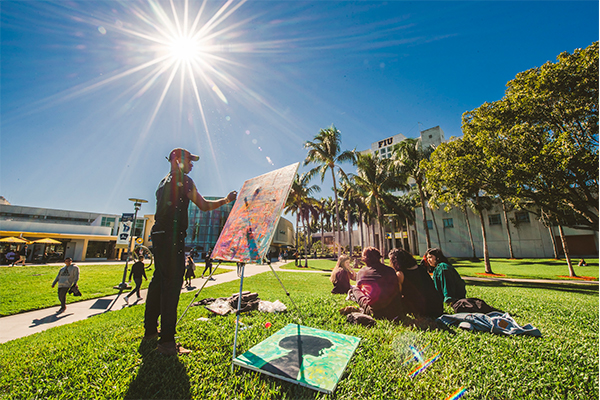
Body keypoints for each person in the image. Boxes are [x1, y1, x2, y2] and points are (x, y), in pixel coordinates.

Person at [144, 148, 237, 356]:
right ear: (177, 160)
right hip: (171, 237)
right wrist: (225, 200)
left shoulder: (162, 182)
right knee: (172, 285)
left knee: (158, 281)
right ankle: (167, 342)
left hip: (158, 234)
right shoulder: (184, 181)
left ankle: (150, 330)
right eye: (189, 161)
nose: (192, 165)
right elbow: (203, 206)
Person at [350, 247, 403, 320]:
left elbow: (358, 286)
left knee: (355, 289)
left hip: (376, 311)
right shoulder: (390, 270)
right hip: (395, 310)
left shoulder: (362, 272)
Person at [388, 248, 443, 319]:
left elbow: (398, 295)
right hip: (435, 306)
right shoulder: (421, 269)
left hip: (420, 309)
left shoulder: (400, 274)